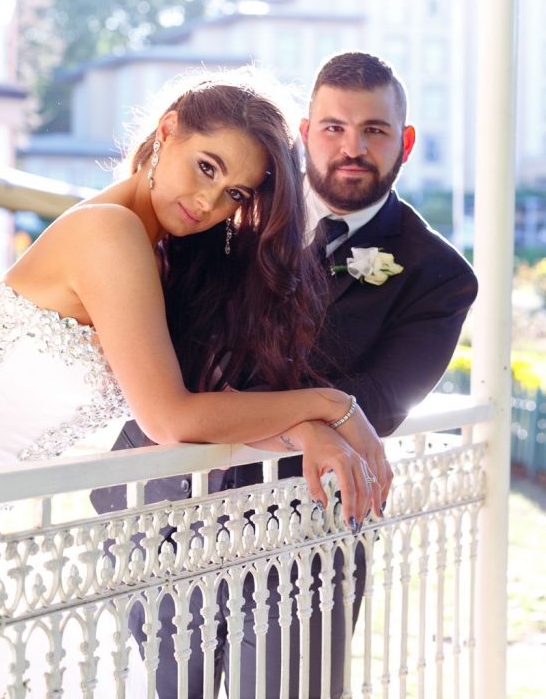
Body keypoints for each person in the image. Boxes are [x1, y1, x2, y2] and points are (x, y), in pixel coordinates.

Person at [0, 70, 387, 546]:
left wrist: (304, 429)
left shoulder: (159, 257)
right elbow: (170, 418)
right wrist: (330, 403)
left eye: (234, 193)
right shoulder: (108, 232)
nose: (208, 203)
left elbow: (202, 406)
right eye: (205, 167)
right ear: (167, 132)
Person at [105, 52, 478, 698]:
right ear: (306, 132)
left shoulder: (436, 272)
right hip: (165, 508)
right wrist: (310, 415)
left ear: (404, 142)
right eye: (333, 127)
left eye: (374, 130)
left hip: (307, 530)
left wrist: (297, 416)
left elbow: (380, 404)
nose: (351, 147)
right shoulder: (228, 211)